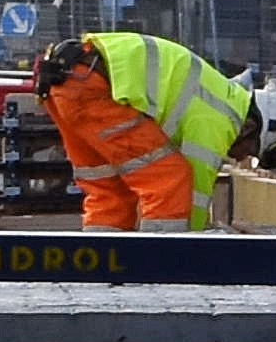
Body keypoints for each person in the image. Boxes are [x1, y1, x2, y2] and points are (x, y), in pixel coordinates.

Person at [37, 29, 257, 232]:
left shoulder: (217, 94)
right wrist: (192, 241)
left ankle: (102, 265)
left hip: (66, 83)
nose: (244, 157)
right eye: (253, 149)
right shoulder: (223, 116)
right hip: (92, 85)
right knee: (169, 178)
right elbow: (196, 193)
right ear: (250, 126)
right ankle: (160, 265)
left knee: (109, 190)